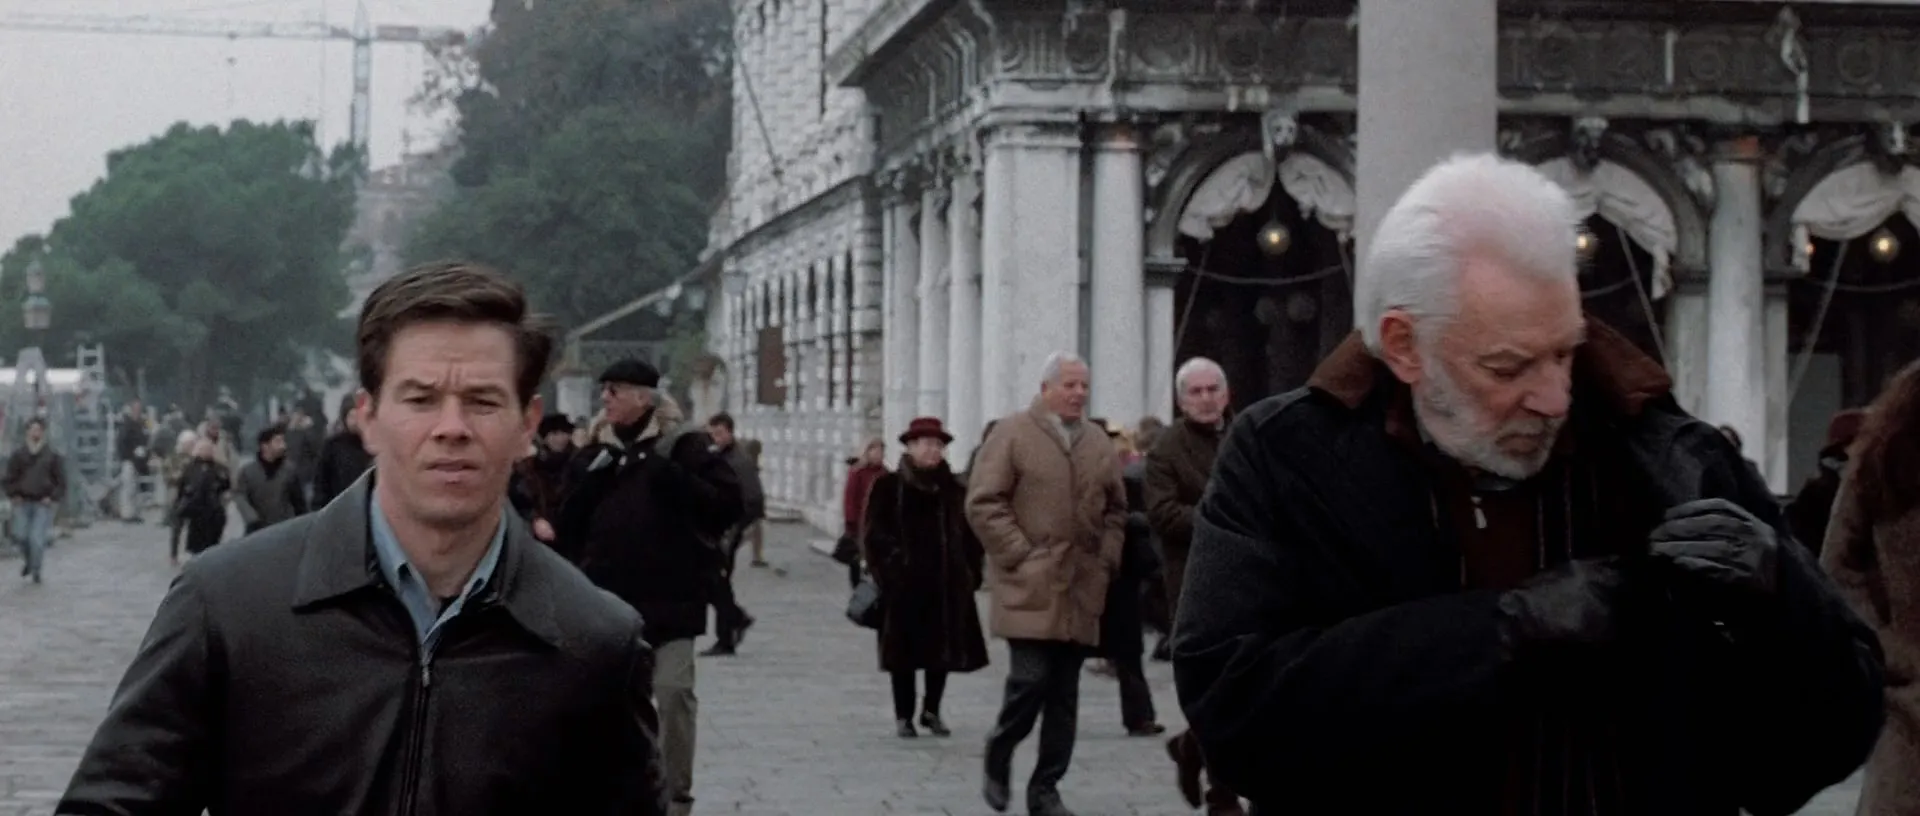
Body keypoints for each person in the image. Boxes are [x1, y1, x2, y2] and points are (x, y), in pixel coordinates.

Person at [1171, 153, 1885, 814]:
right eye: (1508, 368)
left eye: (1565, 354)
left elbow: (1803, 761)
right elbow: (1236, 714)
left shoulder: (1676, 462)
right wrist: (1499, 630)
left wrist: (1783, 603)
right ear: (1405, 347)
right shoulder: (1284, 459)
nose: (1553, 398)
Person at [59, 261, 667, 815]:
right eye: (421, 399)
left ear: (526, 425)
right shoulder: (228, 605)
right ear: (368, 417)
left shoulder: (595, 641)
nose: (451, 428)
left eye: (482, 401)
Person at [556, 358, 743, 816]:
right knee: (607, 704)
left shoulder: (683, 447)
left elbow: (728, 505)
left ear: (644, 396)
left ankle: (676, 798)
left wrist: (672, 478)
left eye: (615, 390)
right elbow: (566, 523)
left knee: (674, 693)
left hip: (673, 600)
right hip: (606, 605)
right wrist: (591, 483)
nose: (605, 398)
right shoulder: (594, 452)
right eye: (603, 390)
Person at [966, 351, 1127, 816]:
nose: (1078, 394)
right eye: (1069, 385)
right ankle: (1001, 747)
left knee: (1064, 697)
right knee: (1030, 680)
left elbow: (1116, 509)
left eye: (1084, 386)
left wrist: (1107, 558)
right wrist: (1020, 553)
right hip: (1031, 585)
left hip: (1081, 586)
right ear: (1045, 388)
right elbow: (984, 502)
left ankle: (1045, 790)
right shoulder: (1013, 433)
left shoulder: (1097, 442)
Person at [1821, 362, 1920, 815]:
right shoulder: (1884, 462)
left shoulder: (1880, 458)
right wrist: (1888, 651)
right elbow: (1838, 569)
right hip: (1908, 704)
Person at [1144, 356, 1240, 814]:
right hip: (1196, 587)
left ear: (1227, 393)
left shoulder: (1247, 435)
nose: (1205, 399)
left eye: (1212, 389)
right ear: (1181, 401)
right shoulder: (1167, 449)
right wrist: (1222, 519)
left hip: (1255, 583)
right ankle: (1223, 794)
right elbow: (1162, 514)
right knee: (1218, 690)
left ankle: (1190, 746)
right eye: (1195, 392)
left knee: (1247, 689)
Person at [860, 416, 989, 738]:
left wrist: (971, 572)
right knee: (903, 656)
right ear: (911, 447)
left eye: (939, 445)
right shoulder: (889, 487)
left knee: (941, 654)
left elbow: (971, 535)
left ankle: (932, 710)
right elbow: (874, 535)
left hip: (947, 585)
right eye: (928, 444)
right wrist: (892, 570)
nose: (934, 450)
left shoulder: (954, 489)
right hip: (904, 588)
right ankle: (903, 715)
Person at [702, 412, 765, 656]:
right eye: (711, 434)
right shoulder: (722, 458)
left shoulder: (737, 461)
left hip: (728, 530)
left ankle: (731, 628)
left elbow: (752, 499)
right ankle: (731, 627)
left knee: (716, 580)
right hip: (720, 529)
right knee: (717, 582)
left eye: (718, 434)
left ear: (729, 432)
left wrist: (735, 527)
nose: (715, 439)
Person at [5, 417, 66, 584]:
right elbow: (9, 478)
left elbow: (60, 481)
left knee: (37, 539)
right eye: (32, 429)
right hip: (22, 502)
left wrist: (52, 497)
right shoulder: (18, 455)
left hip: (42, 503)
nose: (35, 433)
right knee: (21, 536)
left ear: (43, 432)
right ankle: (29, 562)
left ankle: (36, 570)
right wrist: (13, 494)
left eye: (38, 430)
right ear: (27, 432)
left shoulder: (51, 456)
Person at [232, 425, 308, 535]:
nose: (283, 446)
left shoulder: (289, 471)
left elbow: (299, 503)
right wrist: (251, 518)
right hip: (258, 531)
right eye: (278, 441)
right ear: (265, 446)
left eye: (283, 441)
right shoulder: (248, 472)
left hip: (285, 529)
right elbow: (240, 496)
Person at [311, 393, 374, 508]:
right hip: (338, 506)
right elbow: (322, 481)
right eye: (352, 416)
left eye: (358, 416)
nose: (355, 421)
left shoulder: (372, 444)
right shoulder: (333, 446)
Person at [841, 437, 888, 588]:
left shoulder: (885, 473)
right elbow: (850, 499)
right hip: (860, 525)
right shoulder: (857, 472)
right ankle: (858, 588)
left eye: (881, 449)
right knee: (858, 561)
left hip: (879, 526)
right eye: (875, 449)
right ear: (867, 451)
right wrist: (851, 524)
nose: (879, 453)